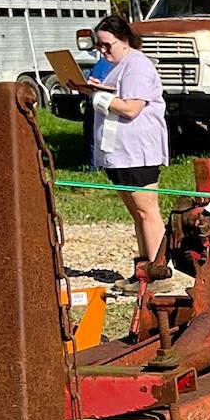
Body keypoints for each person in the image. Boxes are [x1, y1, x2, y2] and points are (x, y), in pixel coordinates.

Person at [72, 14, 168, 268]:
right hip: (119, 151)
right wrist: (92, 89)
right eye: (99, 46)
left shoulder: (138, 65)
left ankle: (159, 269)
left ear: (125, 40)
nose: (102, 51)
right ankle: (145, 268)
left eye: (107, 45)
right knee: (137, 214)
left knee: (147, 212)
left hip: (138, 151)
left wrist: (97, 97)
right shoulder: (118, 64)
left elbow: (131, 108)